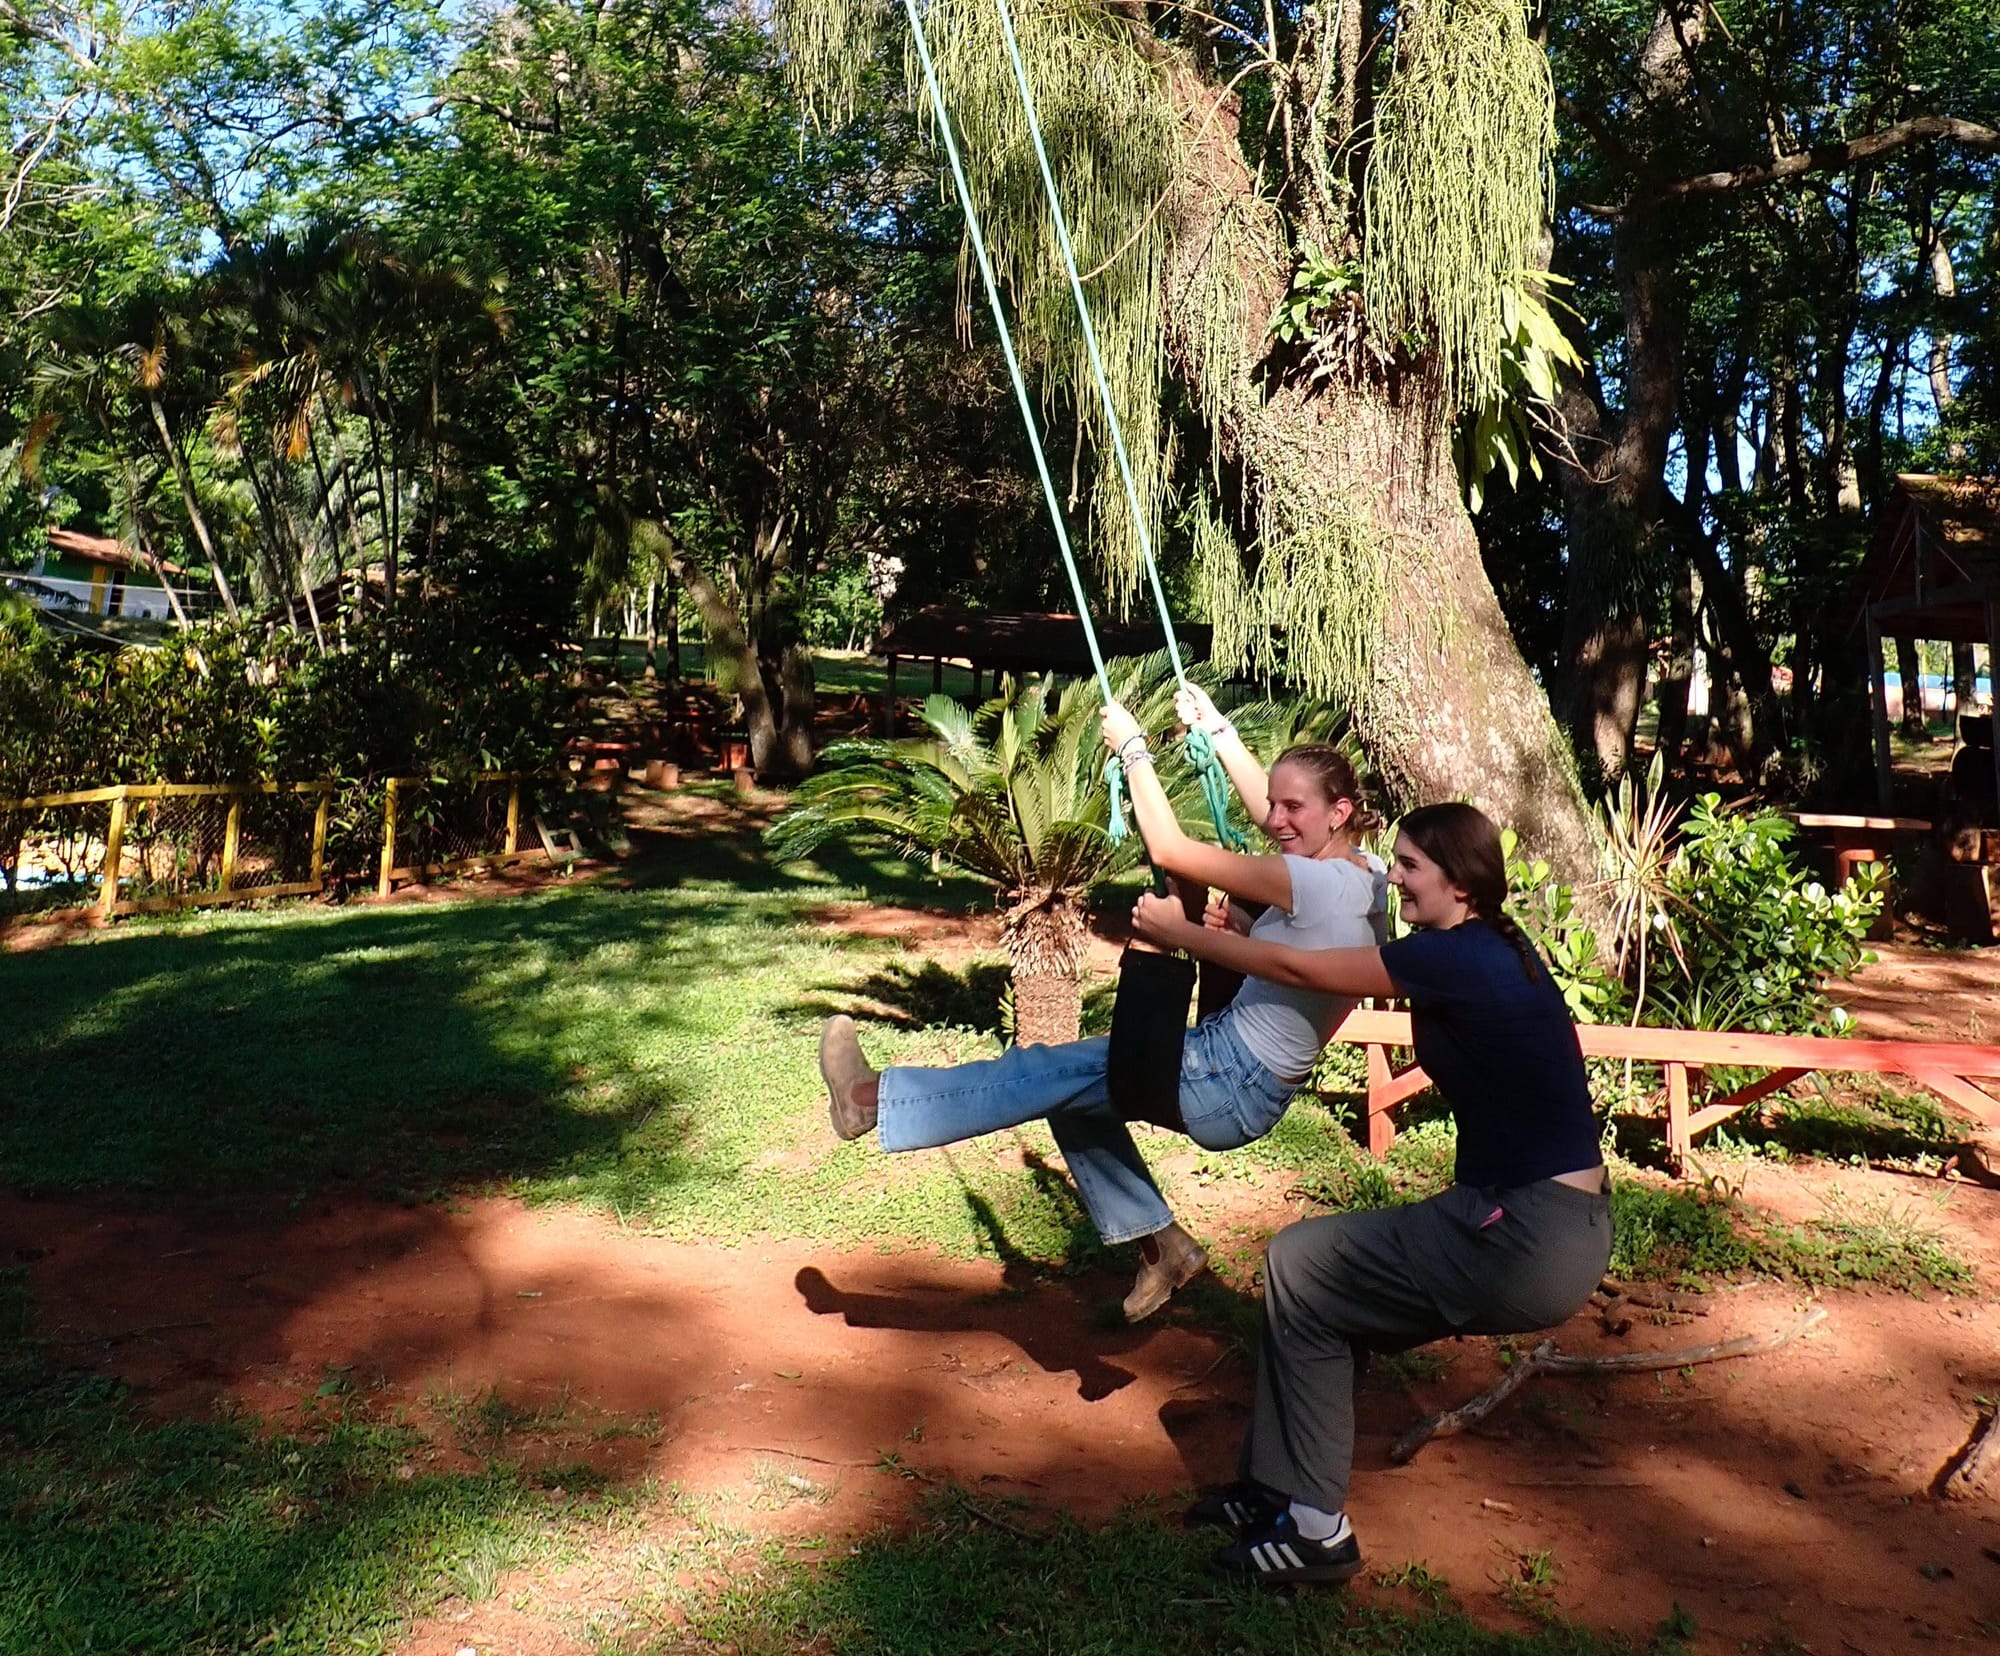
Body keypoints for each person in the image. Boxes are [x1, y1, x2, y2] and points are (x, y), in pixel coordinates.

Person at [1129, 801, 1611, 1586]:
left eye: (1410, 865)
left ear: (1459, 882)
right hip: (1544, 1224)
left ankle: (1317, 1535)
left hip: (1526, 1235)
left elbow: (1303, 971)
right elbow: (1316, 911)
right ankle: (1276, 1493)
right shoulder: (1486, 941)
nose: (1395, 877)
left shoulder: (1459, 957)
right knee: (1329, 1300)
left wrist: (1184, 935)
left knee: (1301, 1264)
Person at [815, 682, 1387, 1322]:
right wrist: (1218, 730)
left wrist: (1134, 751)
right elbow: (1280, 844)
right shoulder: (1365, 874)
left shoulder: (1311, 881)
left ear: (1338, 812)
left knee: (1037, 1073)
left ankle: (870, 1101)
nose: (1276, 820)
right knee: (1071, 1096)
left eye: (1294, 807)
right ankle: (1161, 1247)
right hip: (1242, 1080)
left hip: (1222, 1078)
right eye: (1275, 802)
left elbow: (1171, 850)